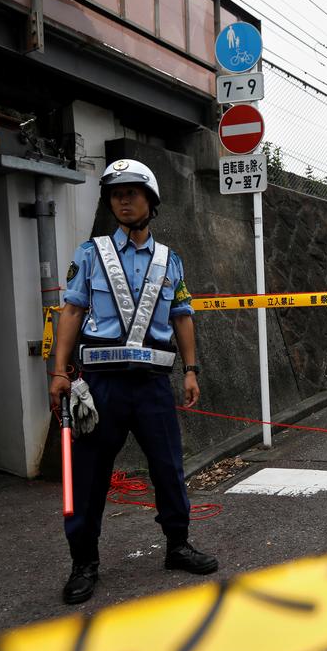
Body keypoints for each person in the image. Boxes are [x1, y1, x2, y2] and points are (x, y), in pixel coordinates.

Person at [48, 158, 217, 605]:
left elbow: (183, 317)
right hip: (100, 385)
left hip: (152, 386)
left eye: (133, 192)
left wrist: (191, 370)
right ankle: (84, 564)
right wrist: (59, 372)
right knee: (87, 477)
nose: (124, 199)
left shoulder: (171, 262)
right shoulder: (90, 254)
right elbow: (71, 312)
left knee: (168, 468)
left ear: (151, 201)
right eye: (116, 193)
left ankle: (177, 546)